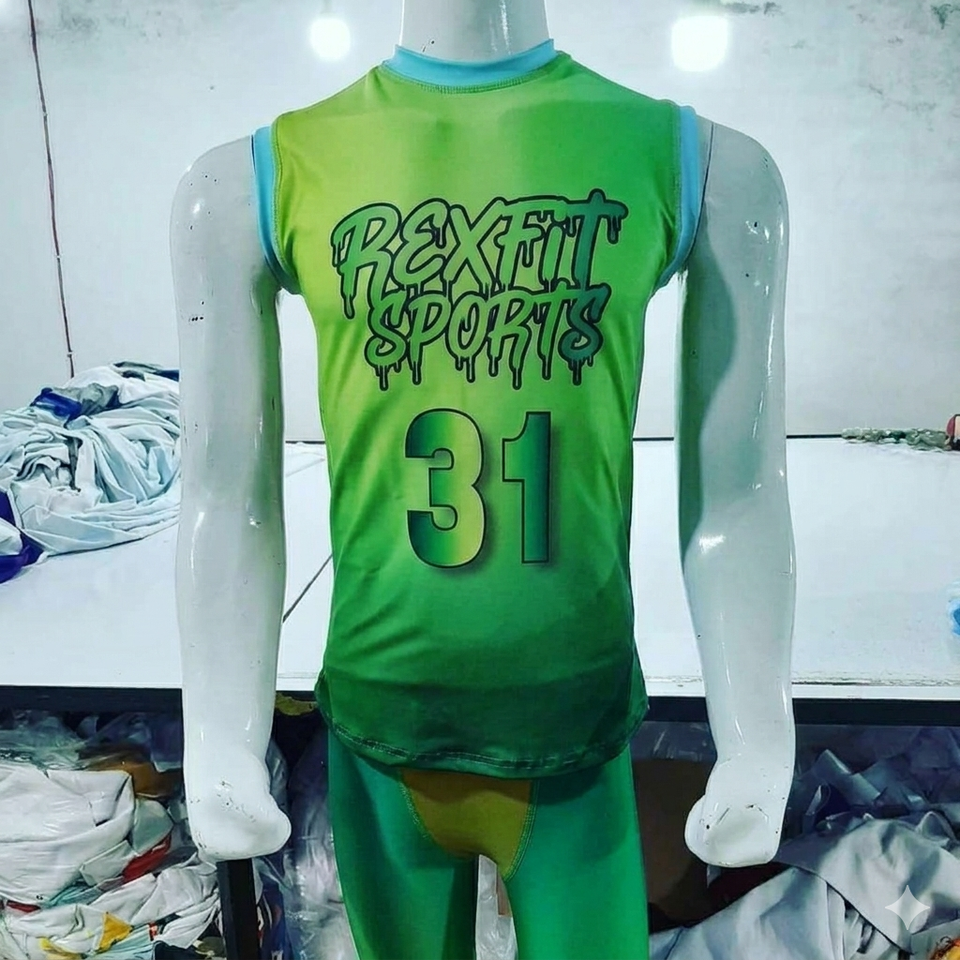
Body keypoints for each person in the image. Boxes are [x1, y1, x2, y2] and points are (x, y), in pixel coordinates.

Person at [170, 2, 797, 956]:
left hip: (573, 736)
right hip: (382, 730)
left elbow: (737, 492)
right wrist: (219, 738)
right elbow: (226, 496)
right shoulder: (250, 178)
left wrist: (757, 738)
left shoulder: (701, 163)